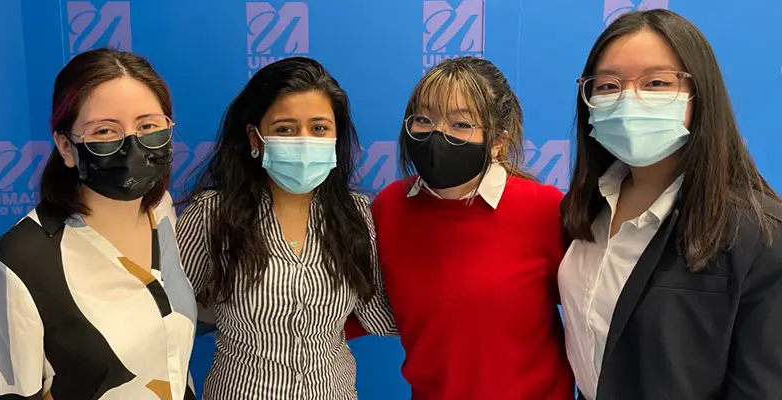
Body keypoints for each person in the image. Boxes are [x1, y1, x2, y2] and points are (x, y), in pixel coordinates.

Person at [559, 9, 782, 400]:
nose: (629, 100)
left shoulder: (759, 234)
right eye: (608, 85)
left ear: (700, 93)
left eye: (657, 82)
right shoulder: (585, 211)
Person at [176, 57, 397, 399]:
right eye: (285, 129)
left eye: (319, 128)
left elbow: (378, 315)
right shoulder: (211, 214)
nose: (304, 141)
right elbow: (167, 321)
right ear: (255, 137)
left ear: (336, 136)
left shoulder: (355, 214)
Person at [0, 48, 197, 399]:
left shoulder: (162, 213)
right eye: (105, 132)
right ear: (66, 147)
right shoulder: (17, 265)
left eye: (148, 126)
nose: (133, 145)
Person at [362, 56, 574, 399]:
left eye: (461, 124)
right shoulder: (389, 208)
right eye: (424, 119)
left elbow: (596, 316)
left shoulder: (545, 210)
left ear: (498, 140)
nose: (438, 134)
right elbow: (344, 309)